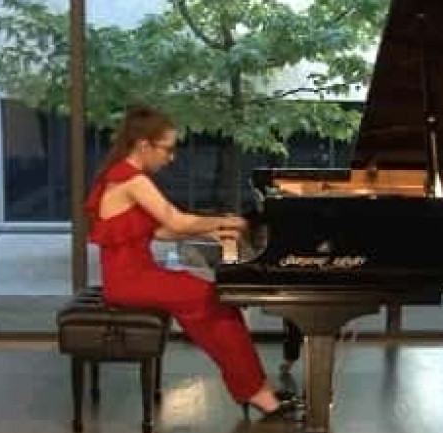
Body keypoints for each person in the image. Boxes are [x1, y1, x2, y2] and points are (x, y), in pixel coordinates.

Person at [85, 106, 294, 417]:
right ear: (143, 145)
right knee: (214, 299)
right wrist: (225, 221)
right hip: (130, 281)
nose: (171, 157)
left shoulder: (122, 177)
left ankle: (254, 388)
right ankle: (255, 391)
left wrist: (213, 231)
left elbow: (161, 231)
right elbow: (176, 220)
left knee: (219, 302)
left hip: (135, 277)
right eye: (167, 149)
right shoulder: (132, 181)